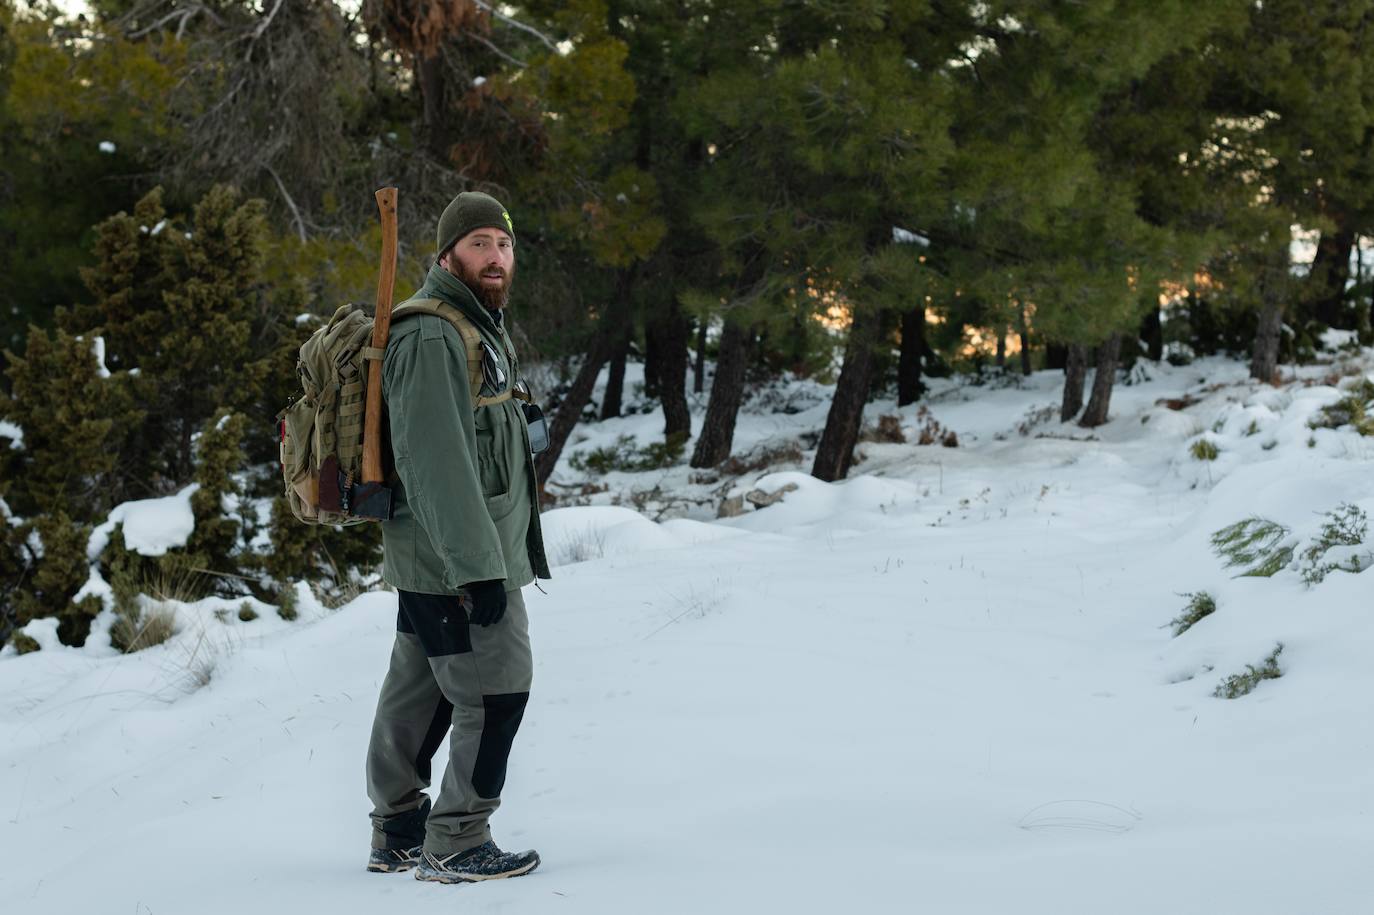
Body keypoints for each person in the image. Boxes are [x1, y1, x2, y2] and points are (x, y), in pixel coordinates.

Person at [364, 191, 550, 883]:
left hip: (436, 558)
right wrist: (479, 570)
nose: (495, 257)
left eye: (502, 245)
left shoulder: (473, 324)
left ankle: (399, 828)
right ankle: (457, 839)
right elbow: (436, 461)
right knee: (498, 689)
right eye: (478, 244)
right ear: (448, 255)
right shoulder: (436, 332)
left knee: (420, 690)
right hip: (458, 565)